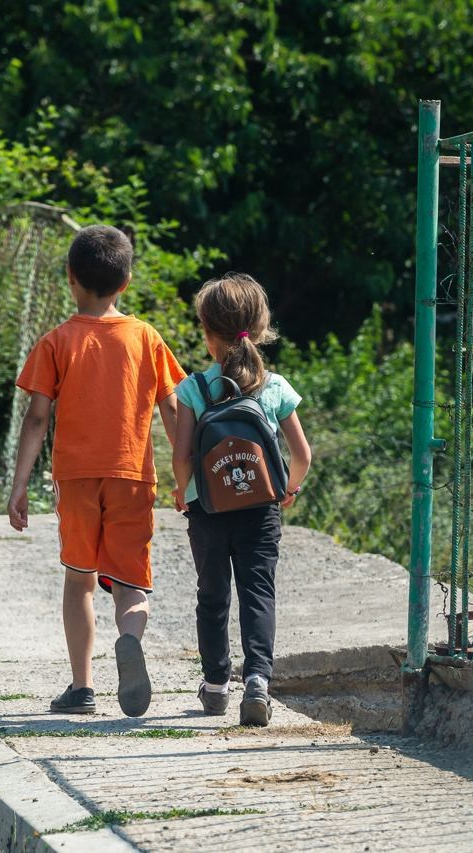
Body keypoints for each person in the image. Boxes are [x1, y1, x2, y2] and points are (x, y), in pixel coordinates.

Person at [8, 225, 185, 718]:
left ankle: (82, 688)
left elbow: (37, 417)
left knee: (80, 577)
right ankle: (129, 637)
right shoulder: (147, 337)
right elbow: (172, 411)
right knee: (131, 582)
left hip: (77, 477)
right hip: (133, 474)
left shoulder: (56, 341)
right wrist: (184, 476)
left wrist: (20, 485)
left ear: (71, 278)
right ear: (126, 281)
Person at [170, 273, 311, 727]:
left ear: (208, 334)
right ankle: (257, 681)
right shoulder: (274, 387)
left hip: (207, 510)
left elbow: (182, 456)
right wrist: (288, 489)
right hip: (260, 511)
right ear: (261, 328)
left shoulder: (194, 387)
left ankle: (215, 686)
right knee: (258, 591)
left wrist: (181, 490)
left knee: (211, 596)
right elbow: (302, 455)